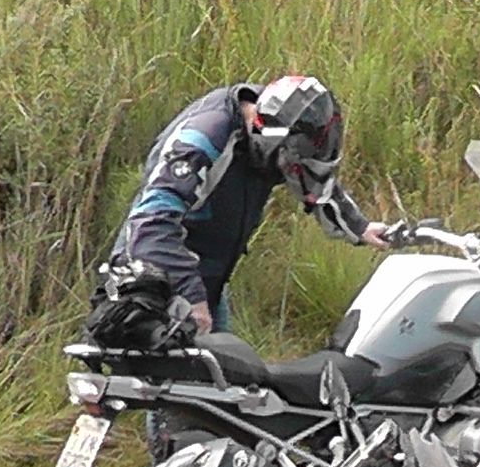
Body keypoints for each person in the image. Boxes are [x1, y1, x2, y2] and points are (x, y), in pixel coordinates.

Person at [106, 75, 391, 334]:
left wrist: (360, 227)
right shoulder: (201, 140)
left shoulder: (277, 127)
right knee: (167, 384)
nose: (291, 173)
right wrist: (192, 297)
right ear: (269, 142)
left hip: (208, 278)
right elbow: (149, 225)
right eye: (289, 165)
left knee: (226, 382)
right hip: (152, 278)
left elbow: (312, 180)